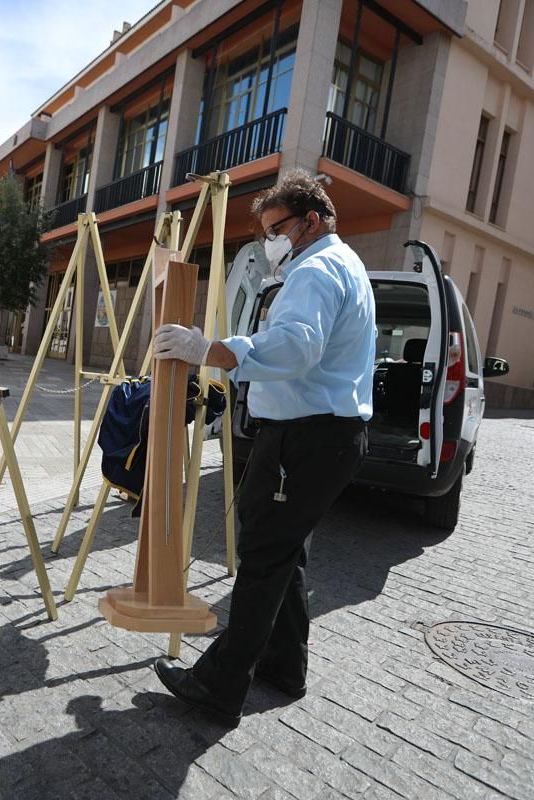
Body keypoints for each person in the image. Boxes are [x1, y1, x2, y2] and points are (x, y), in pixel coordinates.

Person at [149, 170, 375, 727]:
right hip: (325, 436)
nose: (269, 241)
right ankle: (284, 665)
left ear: (312, 221)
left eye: (277, 229)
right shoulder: (341, 265)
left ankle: (219, 686)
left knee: (262, 559)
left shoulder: (318, 269)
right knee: (284, 553)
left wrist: (213, 349)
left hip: (305, 438)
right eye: (265, 231)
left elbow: (295, 348)